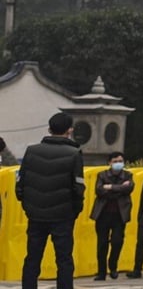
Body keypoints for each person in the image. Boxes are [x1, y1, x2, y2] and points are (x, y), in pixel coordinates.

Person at [16, 112, 85, 289]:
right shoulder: (74, 153)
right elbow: (78, 188)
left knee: (32, 258)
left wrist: (28, 207)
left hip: (36, 215)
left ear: (49, 129)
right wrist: (74, 211)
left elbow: (20, 184)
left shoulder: (31, 151)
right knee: (63, 260)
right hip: (63, 216)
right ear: (69, 130)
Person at [90, 150, 135, 280]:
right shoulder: (102, 175)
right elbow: (99, 191)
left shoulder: (128, 175)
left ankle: (113, 266)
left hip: (119, 215)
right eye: (115, 161)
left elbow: (129, 188)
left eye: (120, 161)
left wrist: (110, 187)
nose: (118, 163)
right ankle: (101, 272)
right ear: (109, 163)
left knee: (117, 242)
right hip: (103, 214)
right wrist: (119, 188)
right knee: (102, 244)